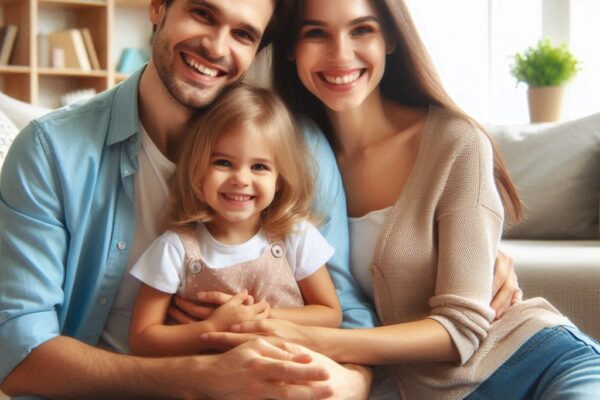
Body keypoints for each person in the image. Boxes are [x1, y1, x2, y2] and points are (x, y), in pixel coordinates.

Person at [0, 0, 519, 398]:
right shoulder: (52, 152)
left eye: (244, 33)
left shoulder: (301, 149)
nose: (216, 47)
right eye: (203, 13)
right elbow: (18, 355)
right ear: (157, 6)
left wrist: (352, 385)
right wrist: (204, 376)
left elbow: (347, 314)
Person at [201, 0, 600, 398]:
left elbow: (460, 328)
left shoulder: (455, 142)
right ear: (291, 46)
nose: (340, 54)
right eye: (316, 33)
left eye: (362, 30)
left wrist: (303, 336)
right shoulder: (274, 161)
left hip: (536, 362)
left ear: (390, 37)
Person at [128, 83, 342, 357]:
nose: (241, 179)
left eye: (259, 167)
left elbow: (330, 314)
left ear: (280, 180)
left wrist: (258, 319)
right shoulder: (175, 249)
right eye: (223, 163)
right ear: (198, 168)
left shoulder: (295, 236)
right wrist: (211, 327)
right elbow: (143, 339)